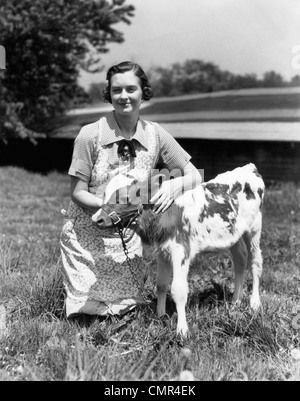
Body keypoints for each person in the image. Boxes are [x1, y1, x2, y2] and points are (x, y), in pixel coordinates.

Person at [60, 61, 202, 318]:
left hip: (128, 244)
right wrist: (111, 207)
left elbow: (194, 176)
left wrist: (174, 183)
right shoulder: (90, 135)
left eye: (131, 89)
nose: (123, 96)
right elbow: (77, 192)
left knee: (125, 312)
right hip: (87, 241)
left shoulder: (156, 135)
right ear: (108, 94)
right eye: (116, 90)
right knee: (86, 316)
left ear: (143, 92)